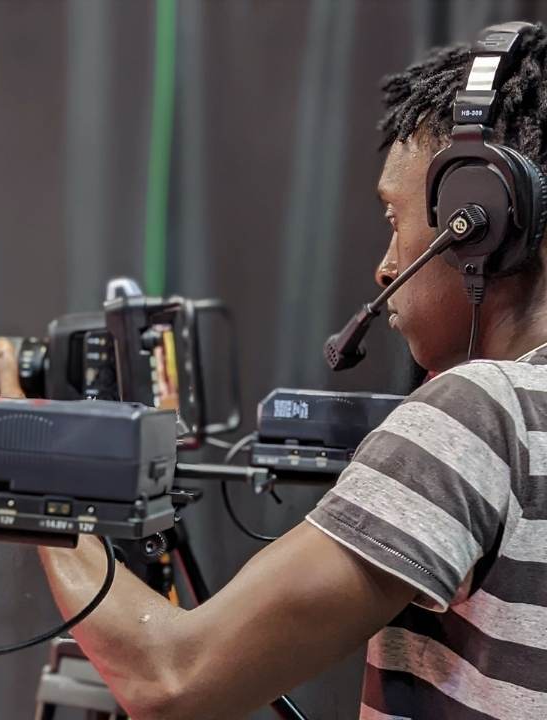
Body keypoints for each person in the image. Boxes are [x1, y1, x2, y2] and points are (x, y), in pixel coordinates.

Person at [27, 23, 547, 720]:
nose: (386, 266)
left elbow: (170, 679)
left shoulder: (480, 416)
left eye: (396, 219)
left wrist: (31, 486)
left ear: (479, 222)